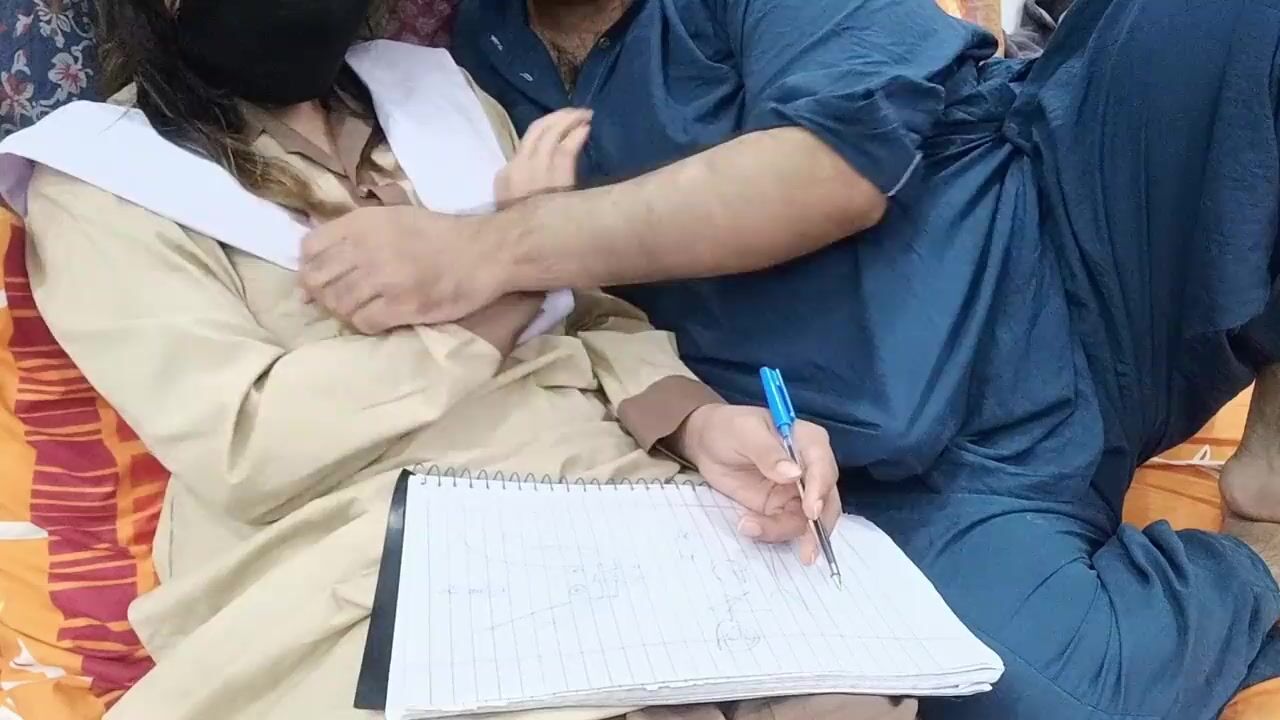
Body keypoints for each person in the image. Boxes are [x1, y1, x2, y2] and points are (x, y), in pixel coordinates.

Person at [294, 0, 1280, 717]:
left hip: (1068, 229)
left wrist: (497, 246)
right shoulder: (465, 54)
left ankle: (1268, 465)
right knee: (1041, 695)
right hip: (888, 464)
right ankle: (1252, 577)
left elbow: (837, 167)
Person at [8, 1, 920, 718]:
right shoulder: (102, 185)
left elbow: (589, 314)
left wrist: (699, 422)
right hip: (365, 552)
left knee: (852, 691)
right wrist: (503, 291)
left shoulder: (443, 99)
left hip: (615, 503)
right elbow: (251, 441)